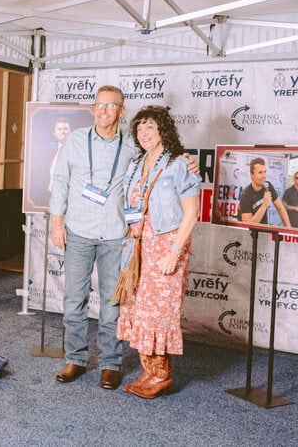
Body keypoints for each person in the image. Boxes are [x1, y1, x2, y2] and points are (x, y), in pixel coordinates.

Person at [48, 86, 139, 390]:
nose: (102, 110)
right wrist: (56, 221)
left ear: (121, 111)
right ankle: (75, 358)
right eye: (98, 105)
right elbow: (60, 181)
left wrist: (187, 163)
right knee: (74, 299)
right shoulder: (76, 140)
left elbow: (146, 180)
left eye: (110, 106)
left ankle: (110, 363)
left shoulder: (133, 145)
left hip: (115, 233)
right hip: (79, 229)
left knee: (113, 302)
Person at [116, 105, 200, 399]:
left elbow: (191, 214)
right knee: (138, 308)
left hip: (165, 246)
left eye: (150, 127)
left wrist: (174, 253)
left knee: (159, 312)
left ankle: (162, 376)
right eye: (139, 128)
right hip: (137, 245)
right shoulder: (136, 165)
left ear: (163, 130)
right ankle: (149, 372)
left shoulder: (179, 164)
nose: (144, 133)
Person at [238, 158, 291, 227]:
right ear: (252, 175)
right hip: (251, 234)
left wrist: (288, 226)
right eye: (260, 172)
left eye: (265, 172)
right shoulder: (245, 195)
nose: (264, 176)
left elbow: (280, 207)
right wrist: (264, 205)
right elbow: (248, 225)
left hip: (264, 230)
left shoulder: (268, 186)